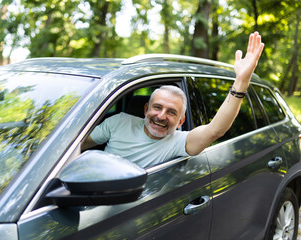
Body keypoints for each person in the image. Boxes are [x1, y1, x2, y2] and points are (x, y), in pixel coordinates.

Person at [82, 32, 265, 168]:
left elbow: (214, 130)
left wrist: (241, 81)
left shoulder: (178, 142)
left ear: (181, 121)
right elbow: (78, 147)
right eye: (157, 107)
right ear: (146, 109)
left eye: (171, 112)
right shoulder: (118, 122)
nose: (161, 116)